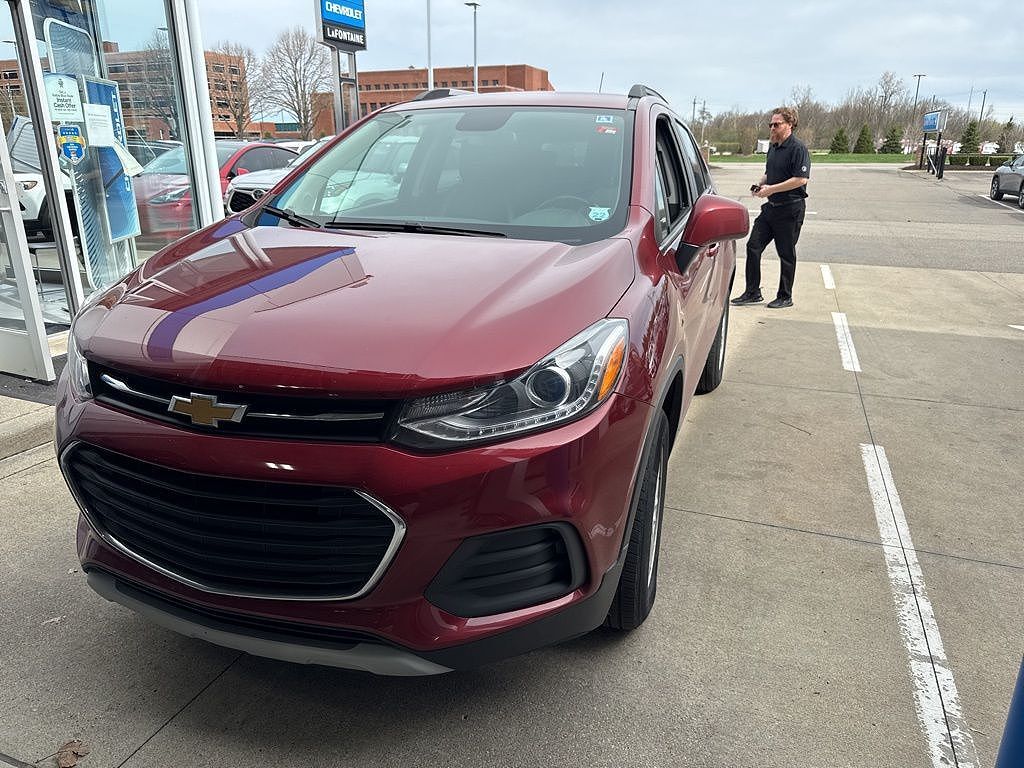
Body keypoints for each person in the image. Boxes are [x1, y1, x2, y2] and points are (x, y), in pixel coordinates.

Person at [731, 107, 810, 309]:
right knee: (753, 246)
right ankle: (752, 292)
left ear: (790, 124)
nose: (772, 127)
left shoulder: (798, 149)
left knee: (786, 253)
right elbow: (769, 173)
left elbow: (801, 179)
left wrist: (772, 189)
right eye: (771, 124)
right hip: (771, 208)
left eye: (777, 124)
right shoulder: (774, 147)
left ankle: (785, 296)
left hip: (790, 209)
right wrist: (760, 185)